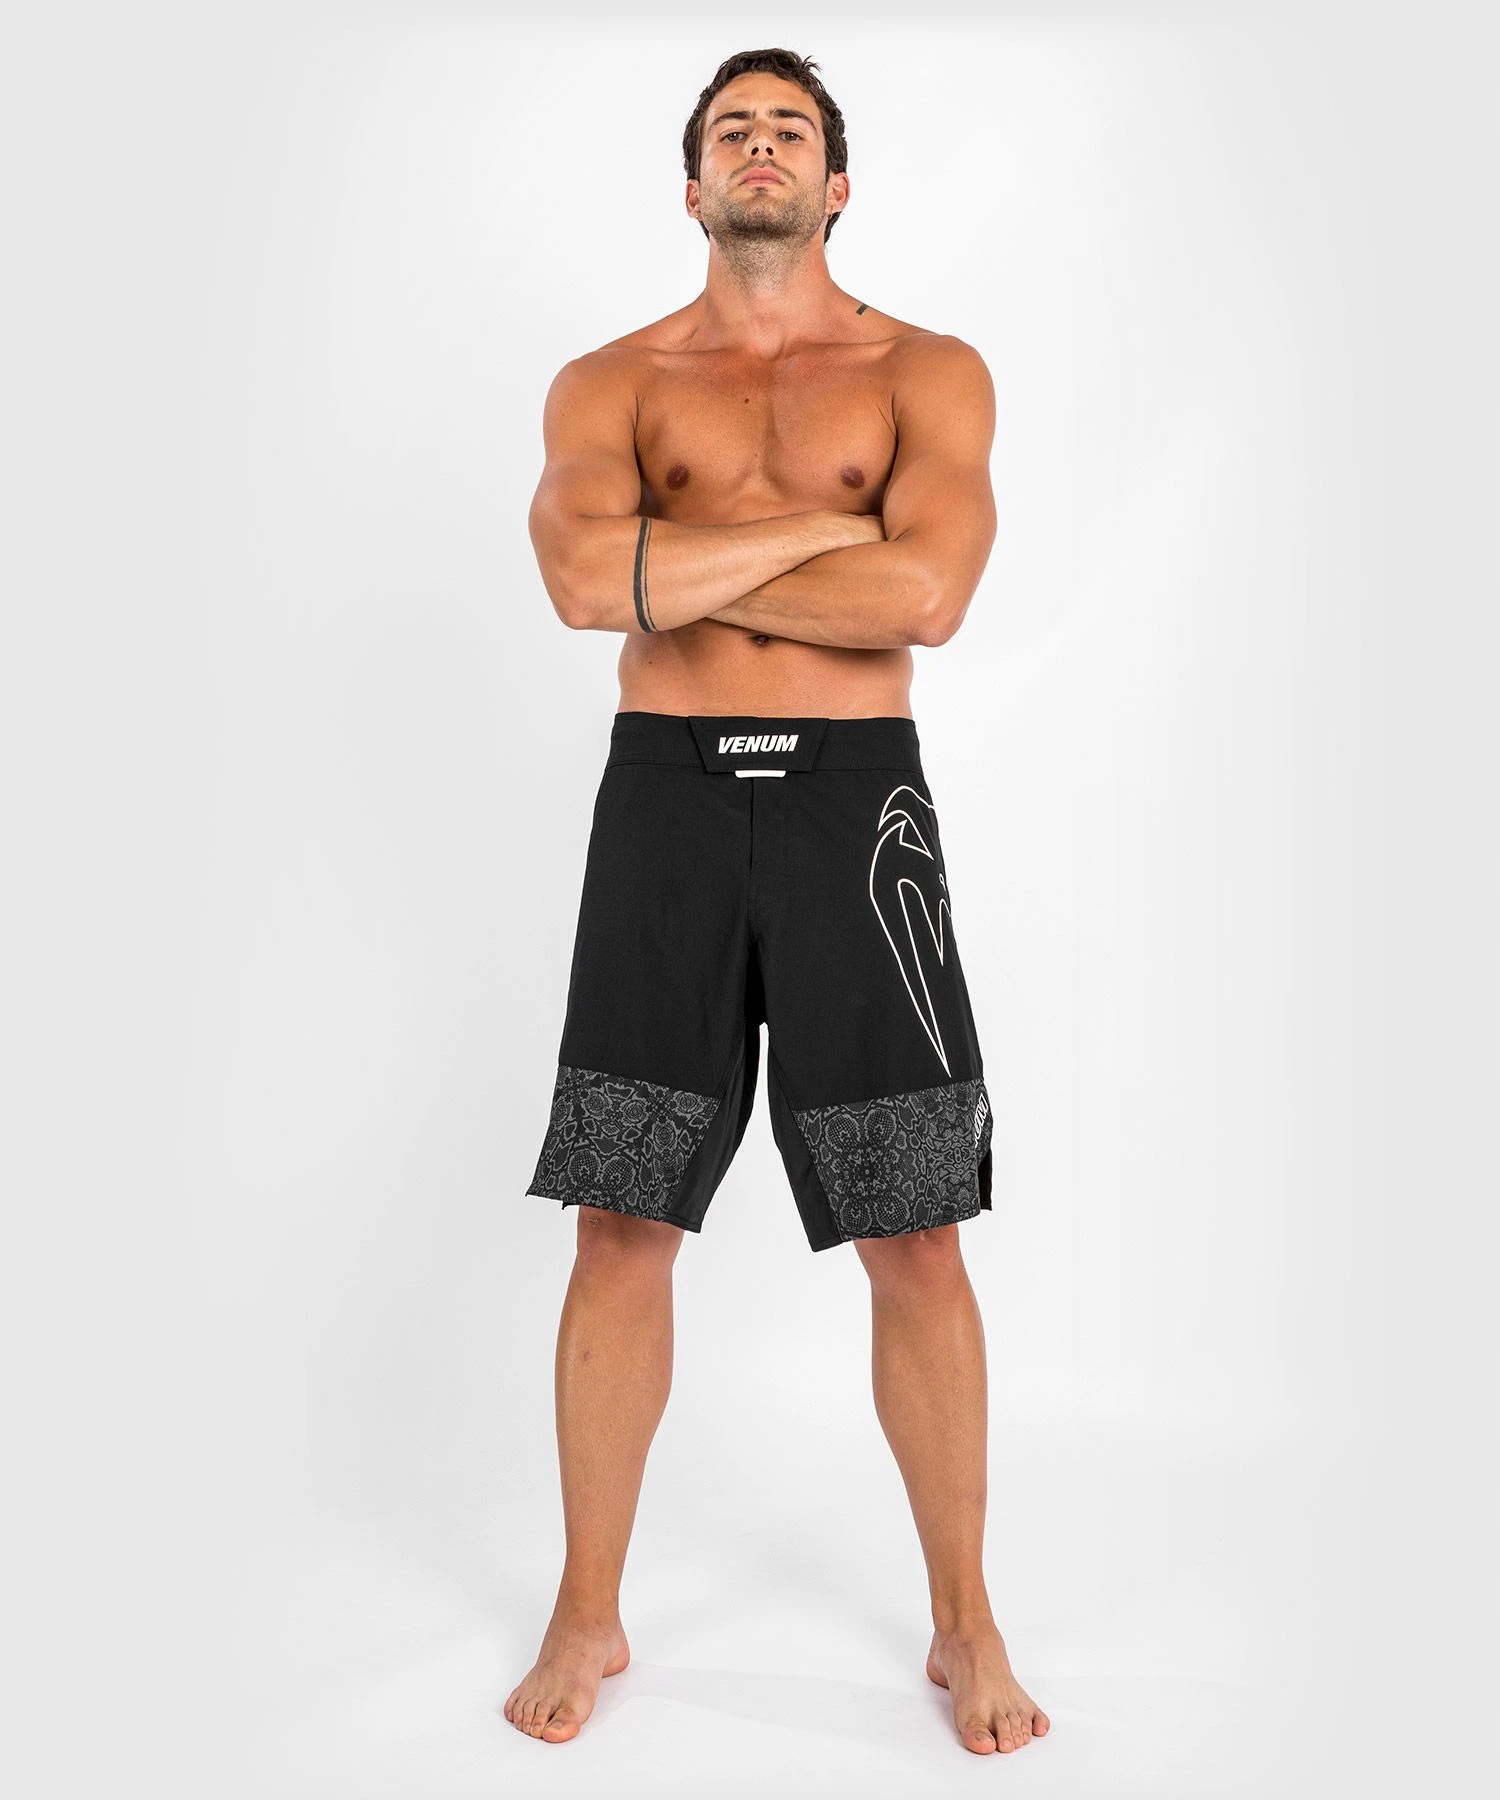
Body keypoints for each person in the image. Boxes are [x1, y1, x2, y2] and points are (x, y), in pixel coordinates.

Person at [504, 47, 1050, 1759]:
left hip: (853, 809)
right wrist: (826, 547)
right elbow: (582, 583)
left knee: (915, 1226)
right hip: (663, 807)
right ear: (692, 186)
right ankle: (589, 1608)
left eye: (789, 130)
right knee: (620, 1216)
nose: (761, 146)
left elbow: (933, 593)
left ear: (834, 186)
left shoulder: (926, 371)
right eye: (732, 129)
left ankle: (964, 1619)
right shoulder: (608, 381)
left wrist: (678, 572)